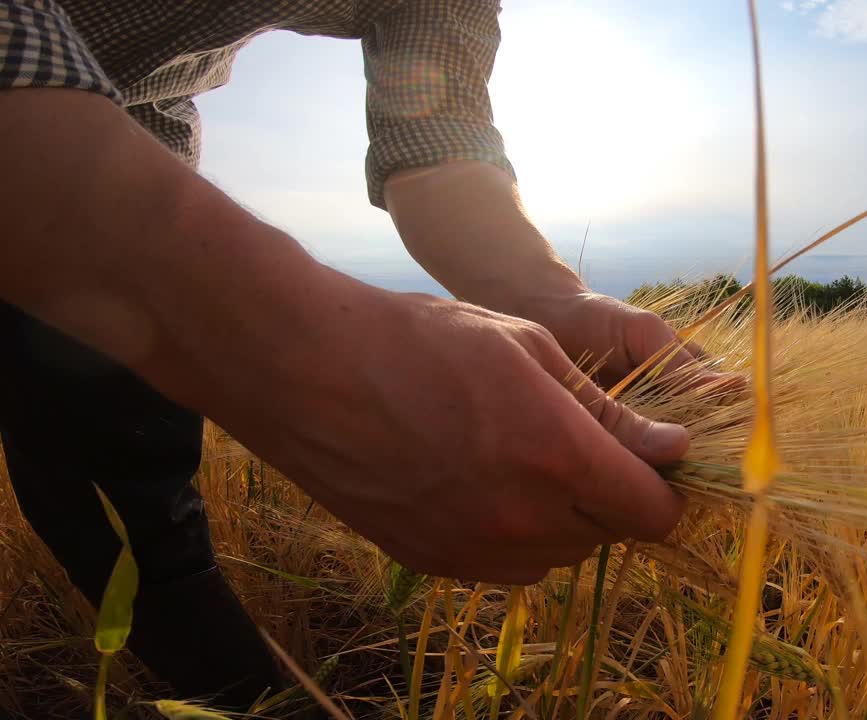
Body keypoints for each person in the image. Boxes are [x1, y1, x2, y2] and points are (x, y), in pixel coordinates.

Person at [0, 0, 713, 709]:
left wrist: (551, 298)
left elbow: (440, 143)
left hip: (131, 162)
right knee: (98, 514)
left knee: (141, 518)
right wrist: (294, 349)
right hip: (77, 192)